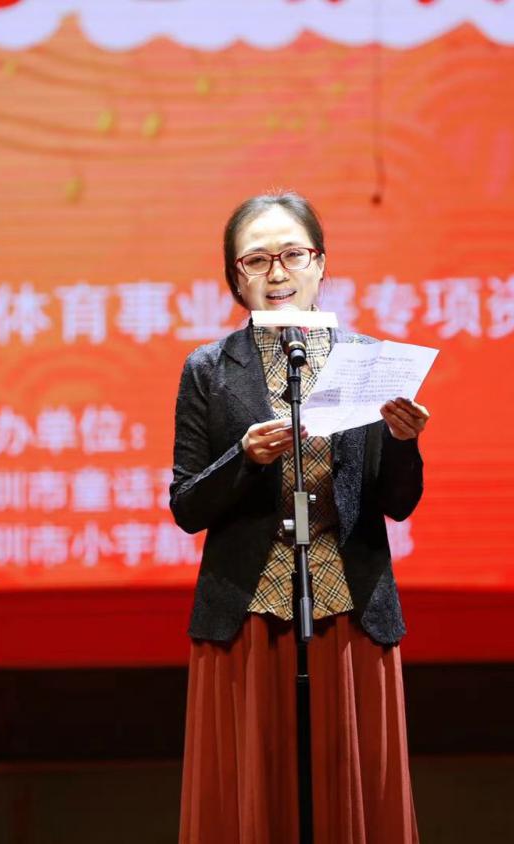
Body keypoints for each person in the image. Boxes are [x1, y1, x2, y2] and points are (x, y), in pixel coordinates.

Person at [171, 191, 430, 843]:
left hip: (350, 610)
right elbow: (186, 506)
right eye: (256, 260)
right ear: (235, 278)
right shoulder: (210, 369)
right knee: (253, 798)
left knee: (348, 793)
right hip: (247, 614)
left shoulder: (369, 359)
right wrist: (244, 457)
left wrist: (404, 443)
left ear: (320, 264)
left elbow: (397, 504)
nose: (277, 273)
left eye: (292, 255)